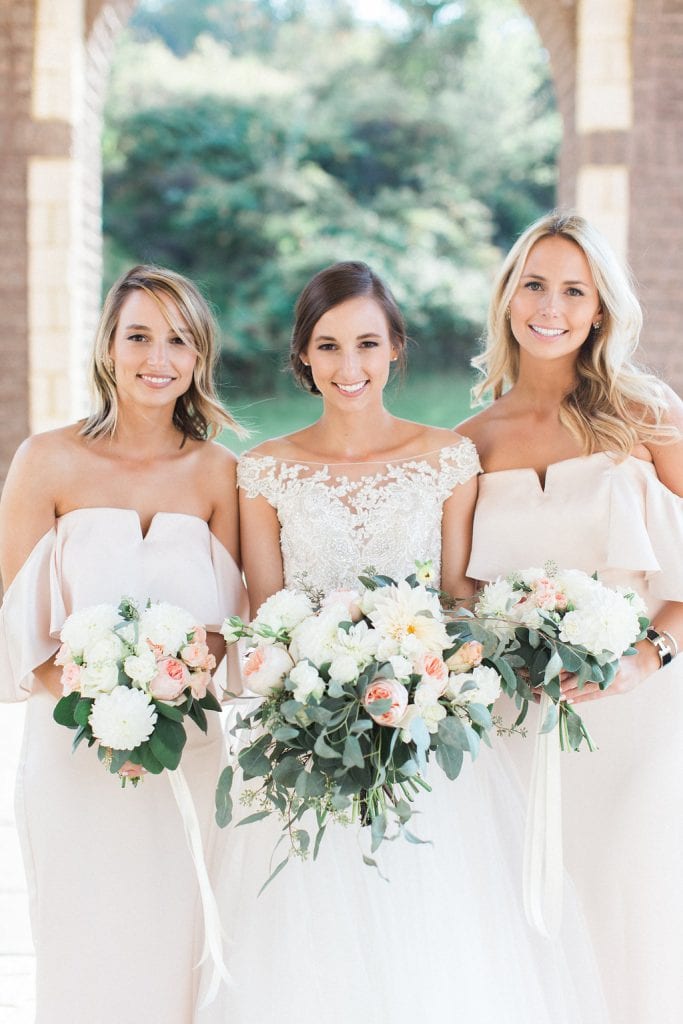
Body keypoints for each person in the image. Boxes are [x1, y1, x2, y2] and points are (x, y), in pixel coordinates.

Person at [198, 261, 608, 1023]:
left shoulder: (449, 458)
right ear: (302, 358)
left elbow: (456, 608)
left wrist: (419, 684)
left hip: (426, 739)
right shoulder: (262, 472)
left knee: (439, 950)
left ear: (394, 351)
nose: (347, 366)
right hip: (304, 750)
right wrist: (313, 700)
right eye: (326, 346)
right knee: (306, 950)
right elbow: (266, 622)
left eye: (365, 344)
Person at [0, 265, 246, 1023]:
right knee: (81, 939)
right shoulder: (46, 459)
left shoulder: (219, 472)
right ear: (108, 346)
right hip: (72, 748)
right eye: (138, 335)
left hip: (190, 745)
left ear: (199, 355)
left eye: (177, 339)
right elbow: (16, 621)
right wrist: (102, 713)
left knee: (182, 943)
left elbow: (232, 622)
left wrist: (169, 696)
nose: (157, 357)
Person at [458, 210, 683, 1024]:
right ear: (508, 296)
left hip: (641, 711)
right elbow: (454, 597)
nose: (549, 306)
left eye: (572, 290)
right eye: (534, 284)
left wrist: (647, 653)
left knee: (633, 895)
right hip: (520, 719)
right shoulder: (468, 443)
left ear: (598, 311)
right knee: (536, 907)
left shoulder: (642, 412)